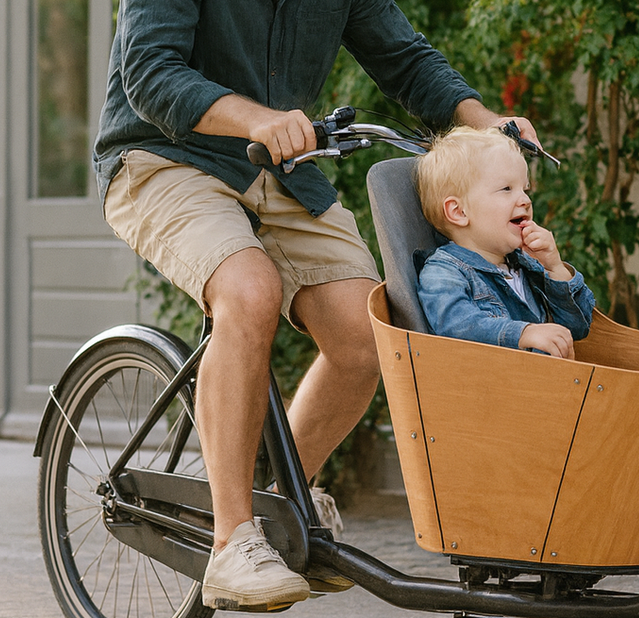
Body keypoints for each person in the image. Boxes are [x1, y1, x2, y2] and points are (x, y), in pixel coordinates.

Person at [93, 0, 537, 612]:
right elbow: (148, 71)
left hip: (279, 170)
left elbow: (403, 58)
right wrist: (255, 118)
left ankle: (282, 507)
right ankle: (232, 541)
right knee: (247, 292)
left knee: (366, 335)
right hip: (162, 159)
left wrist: (482, 120)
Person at [414, 127, 595, 358]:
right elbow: (455, 327)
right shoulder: (444, 272)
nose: (526, 200)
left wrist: (555, 268)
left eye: (525, 189)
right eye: (507, 189)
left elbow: (577, 329)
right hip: (491, 389)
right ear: (459, 212)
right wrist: (522, 333)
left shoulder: (525, 265)